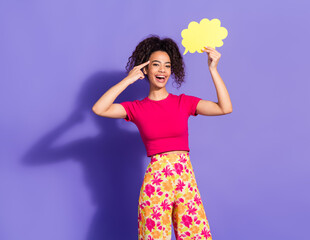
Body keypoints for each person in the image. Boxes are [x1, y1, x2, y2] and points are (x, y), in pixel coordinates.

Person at [92, 35, 232, 240]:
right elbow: (99, 108)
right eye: (156, 65)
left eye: (167, 65)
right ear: (146, 69)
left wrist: (213, 69)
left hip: (185, 180)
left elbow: (224, 108)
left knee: (196, 236)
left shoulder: (183, 102)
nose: (162, 70)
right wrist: (129, 79)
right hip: (156, 183)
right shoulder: (137, 108)